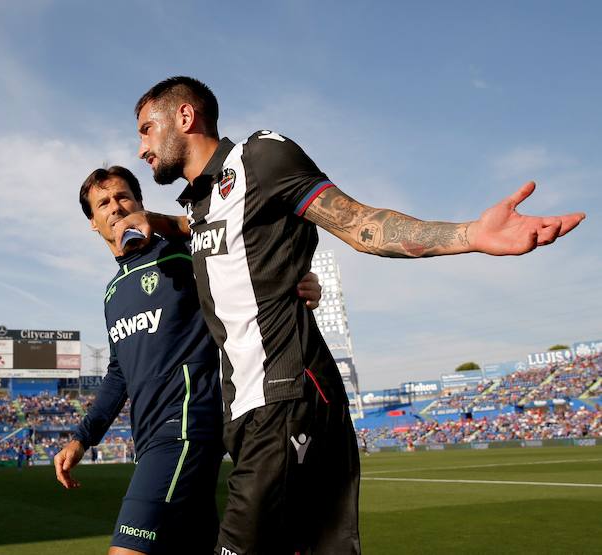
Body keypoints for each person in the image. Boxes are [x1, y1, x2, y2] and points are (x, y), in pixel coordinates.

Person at [118, 76, 585, 555]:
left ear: (185, 117)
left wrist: (470, 234)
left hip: (287, 393)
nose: (141, 148)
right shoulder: (198, 203)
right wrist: (152, 221)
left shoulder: (259, 157)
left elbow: (361, 225)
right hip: (244, 409)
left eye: (146, 130)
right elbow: (210, 230)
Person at [54, 166, 323, 555]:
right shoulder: (113, 293)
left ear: (140, 204)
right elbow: (119, 373)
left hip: (185, 427)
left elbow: (246, 259)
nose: (115, 207)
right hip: (149, 439)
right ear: (93, 223)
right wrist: (82, 438)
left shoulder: (183, 255)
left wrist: (299, 280)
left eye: (123, 196)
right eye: (103, 203)